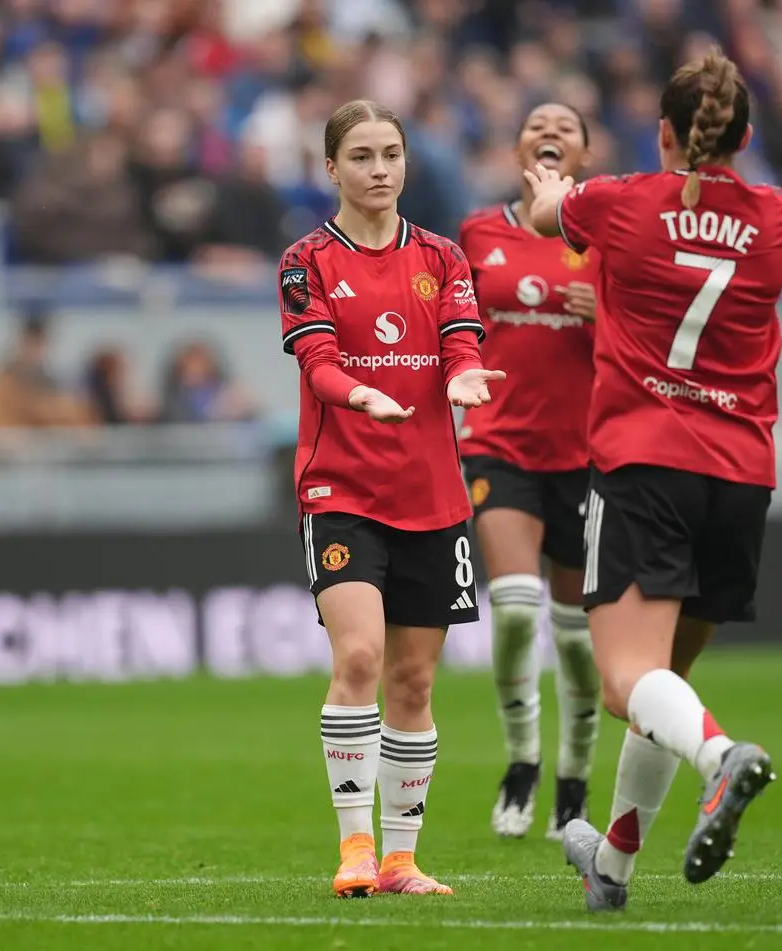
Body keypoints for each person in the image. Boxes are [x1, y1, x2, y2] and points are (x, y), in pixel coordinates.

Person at [524, 46, 782, 911]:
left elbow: (550, 217)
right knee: (664, 687)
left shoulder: (619, 202)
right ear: (746, 134)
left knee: (626, 683)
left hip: (645, 462)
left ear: (662, 130)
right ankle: (611, 866)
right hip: (740, 479)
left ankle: (724, 757)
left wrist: (549, 177)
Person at [279, 99, 504, 899]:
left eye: (392, 155)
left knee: (414, 681)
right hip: (340, 489)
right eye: (363, 156)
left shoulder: (442, 257)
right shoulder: (306, 261)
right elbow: (318, 362)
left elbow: (460, 343)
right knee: (362, 657)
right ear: (331, 167)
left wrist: (466, 376)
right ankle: (355, 848)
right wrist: (358, 396)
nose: (380, 170)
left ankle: (404, 859)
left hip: (433, 493)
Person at [457, 102, 602, 842]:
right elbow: (451, 324)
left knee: (577, 639)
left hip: (584, 454)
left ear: (584, 151)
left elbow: (656, 334)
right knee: (515, 608)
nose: (550, 130)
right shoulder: (480, 232)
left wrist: (606, 314)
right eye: (537, 121)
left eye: (567, 125)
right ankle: (523, 762)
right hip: (499, 442)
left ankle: (574, 781)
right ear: (518, 146)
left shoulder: (607, 235)